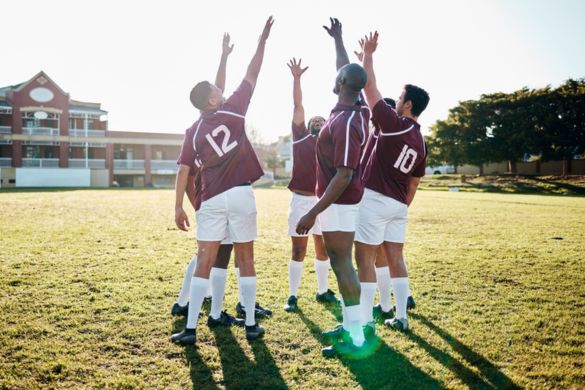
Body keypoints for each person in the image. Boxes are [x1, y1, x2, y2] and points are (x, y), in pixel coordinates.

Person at [171, 17, 274, 345]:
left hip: (211, 197)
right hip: (241, 194)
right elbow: (253, 71)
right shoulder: (234, 111)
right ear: (213, 101)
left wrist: (177, 207)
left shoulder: (194, 129)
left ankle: (189, 329)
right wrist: (262, 40)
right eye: (217, 91)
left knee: (204, 257)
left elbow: (183, 170)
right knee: (245, 259)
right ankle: (250, 324)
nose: (222, 90)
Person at [296, 18, 370, 358]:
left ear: (341, 83)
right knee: (343, 265)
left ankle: (356, 338)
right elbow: (348, 69)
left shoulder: (346, 121)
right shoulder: (355, 106)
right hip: (341, 202)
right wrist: (338, 39)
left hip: (339, 202)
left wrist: (312, 211)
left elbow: (343, 174)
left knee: (342, 265)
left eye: (337, 75)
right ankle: (352, 324)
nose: (335, 74)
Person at [355, 31, 429, 332]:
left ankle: (362, 321)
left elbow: (370, 89)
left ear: (408, 105)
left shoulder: (396, 126)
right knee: (396, 257)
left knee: (365, 259)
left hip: (375, 199)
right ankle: (401, 316)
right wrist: (400, 206)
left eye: (399, 98)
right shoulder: (422, 142)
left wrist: (368, 56)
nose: (396, 101)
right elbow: (414, 185)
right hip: (399, 204)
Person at [283, 57, 337, 313]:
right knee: (298, 249)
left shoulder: (330, 145)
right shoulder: (300, 137)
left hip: (324, 201)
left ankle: (323, 291)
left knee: (323, 248)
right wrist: (296, 79)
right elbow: (298, 105)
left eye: (321, 121)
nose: (317, 122)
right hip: (302, 200)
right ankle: (292, 296)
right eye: (313, 120)